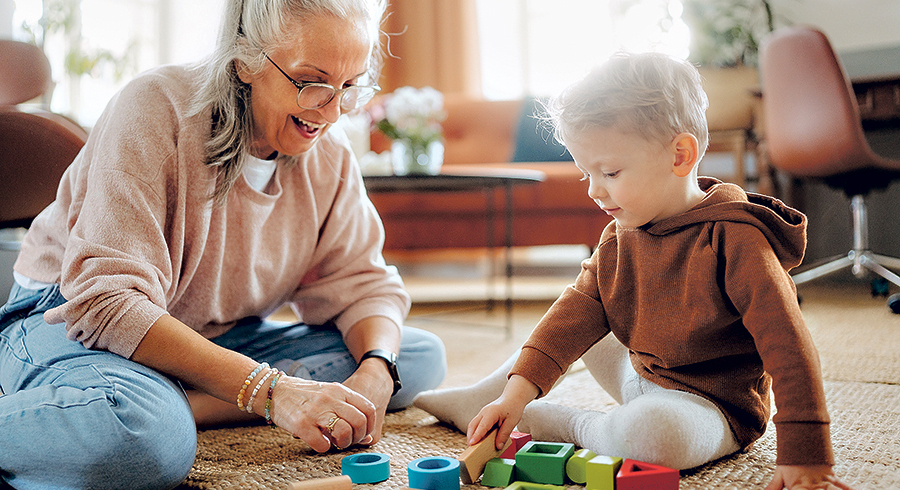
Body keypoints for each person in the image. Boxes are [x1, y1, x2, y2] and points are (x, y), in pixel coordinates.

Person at [0, 0, 446, 488]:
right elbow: (106, 302)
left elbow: (364, 285)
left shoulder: (330, 156)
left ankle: (181, 398)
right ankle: (157, 405)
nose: (333, 110)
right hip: (70, 322)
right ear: (244, 60)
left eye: (349, 86)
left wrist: (377, 374)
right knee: (144, 435)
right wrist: (271, 393)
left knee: (412, 356)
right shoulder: (155, 107)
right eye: (311, 82)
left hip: (214, 335)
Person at [414, 52, 853, 490]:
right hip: (640, 373)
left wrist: (805, 452)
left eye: (608, 171)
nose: (593, 189)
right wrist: (515, 392)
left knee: (650, 437)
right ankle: (491, 397)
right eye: (585, 172)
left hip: (711, 408)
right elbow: (571, 317)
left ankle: (566, 423)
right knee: (574, 321)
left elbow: (788, 344)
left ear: (680, 155)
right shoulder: (619, 234)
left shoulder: (735, 238)